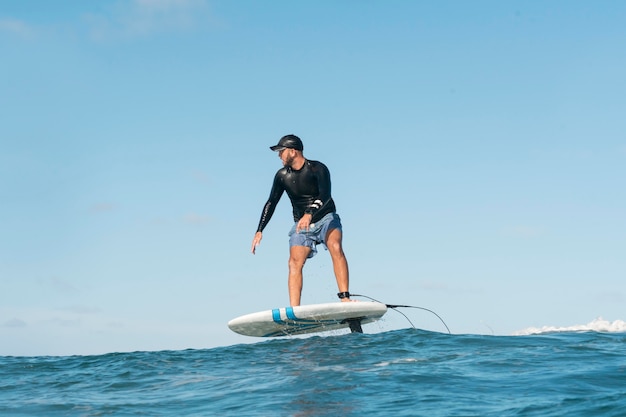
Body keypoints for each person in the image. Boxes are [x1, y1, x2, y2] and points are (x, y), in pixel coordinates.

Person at [251, 134, 351, 306]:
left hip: (326, 218)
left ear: (293, 151)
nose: (279, 155)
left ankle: (345, 297)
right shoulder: (282, 176)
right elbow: (271, 202)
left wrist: (309, 213)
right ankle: (295, 310)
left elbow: (325, 194)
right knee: (294, 262)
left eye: (281, 151)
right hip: (302, 225)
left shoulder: (318, 169)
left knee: (335, 246)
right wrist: (260, 230)